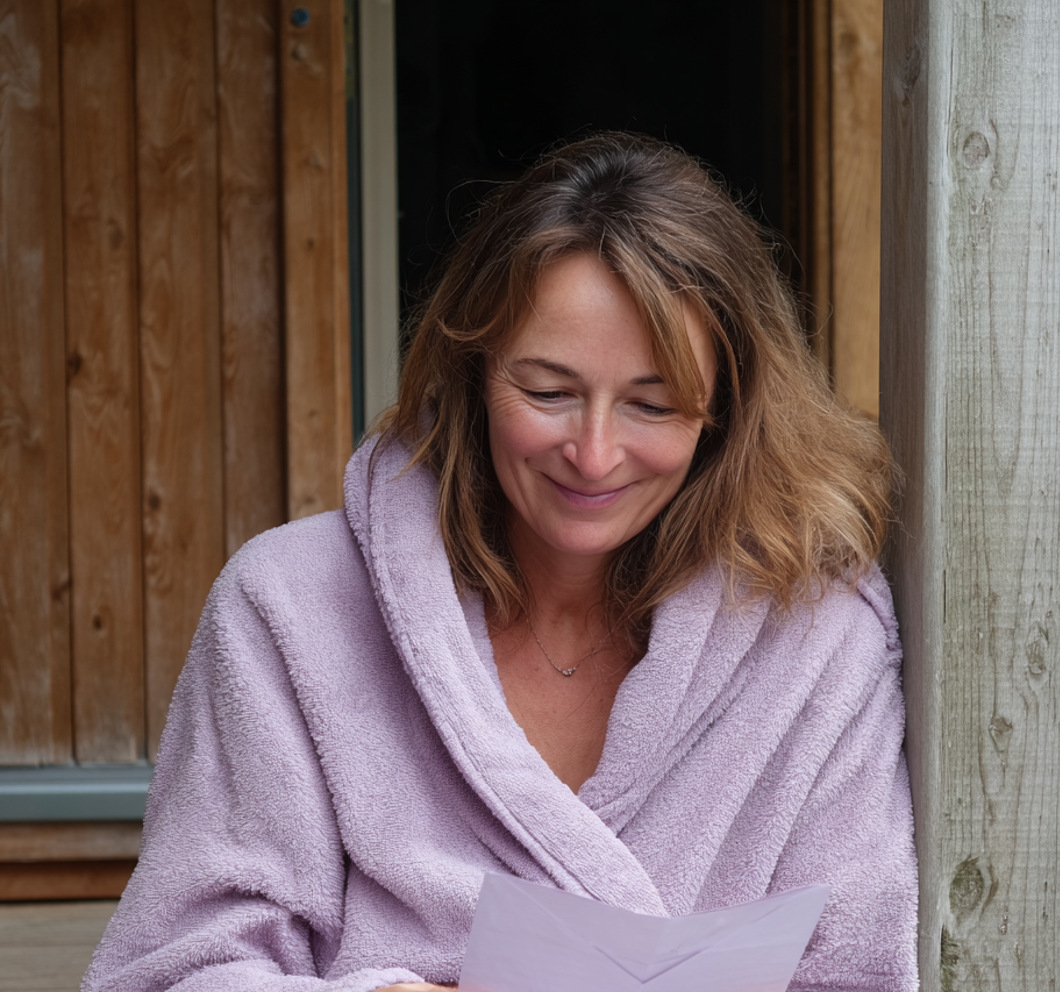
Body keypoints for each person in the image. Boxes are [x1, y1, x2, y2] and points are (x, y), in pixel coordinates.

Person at [83, 132, 917, 992]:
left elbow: (861, 971)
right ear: (473, 369)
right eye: (548, 392)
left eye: (654, 404)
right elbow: (174, 970)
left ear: (728, 413)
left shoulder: (815, 641)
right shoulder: (291, 608)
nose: (594, 456)